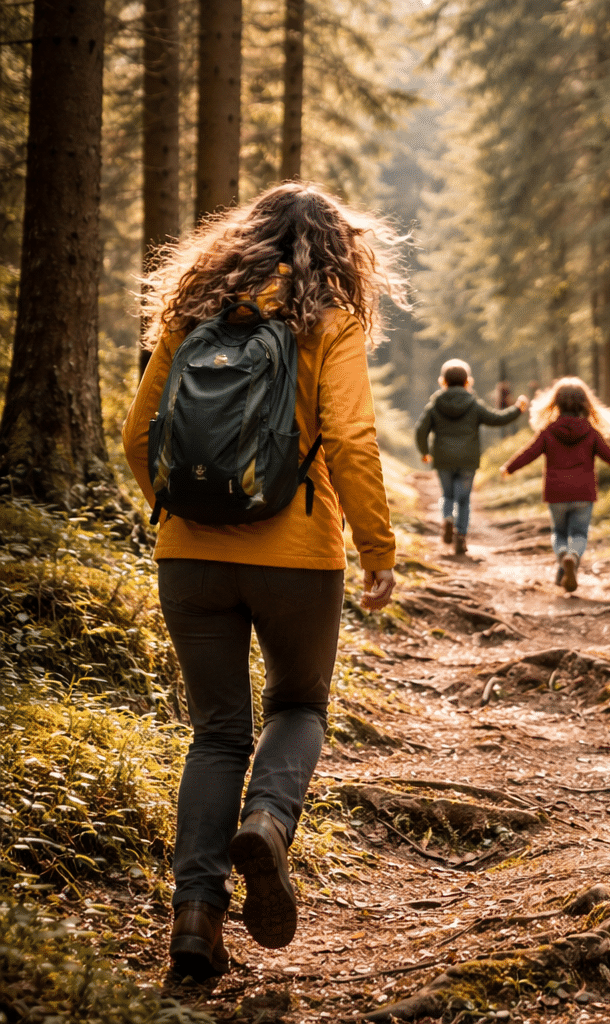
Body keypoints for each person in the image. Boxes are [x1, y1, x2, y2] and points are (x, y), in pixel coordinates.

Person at [122, 182, 404, 978]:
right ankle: (270, 825)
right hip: (298, 556)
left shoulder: (190, 317)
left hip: (189, 556)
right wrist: (377, 547)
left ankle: (195, 922)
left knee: (216, 732)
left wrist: (182, 515)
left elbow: (137, 435)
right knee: (300, 705)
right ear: (338, 253)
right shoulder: (331, 323)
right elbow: (350, 439)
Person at [501, 377, 610, 592]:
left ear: (555, 403)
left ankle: (563, 562)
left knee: (559, 533)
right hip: (583, 493)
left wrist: (508, 468)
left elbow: (529, 453)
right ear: (585, 403)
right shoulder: (591, 432)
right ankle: (573, 557)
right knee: (579, 534)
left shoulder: (548, 431)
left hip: (556, 493)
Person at [415, 359, 526, 554]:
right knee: (464, 500)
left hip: (443, 459)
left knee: (447, 495)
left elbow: (420, 430)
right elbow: (496, 419)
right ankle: (461, 536)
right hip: (467, 460)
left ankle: (447, 518)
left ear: (443, 381)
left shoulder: (435, 405)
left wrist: (425, 452)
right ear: (468, 382)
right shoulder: (473, 404)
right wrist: (517, 409)